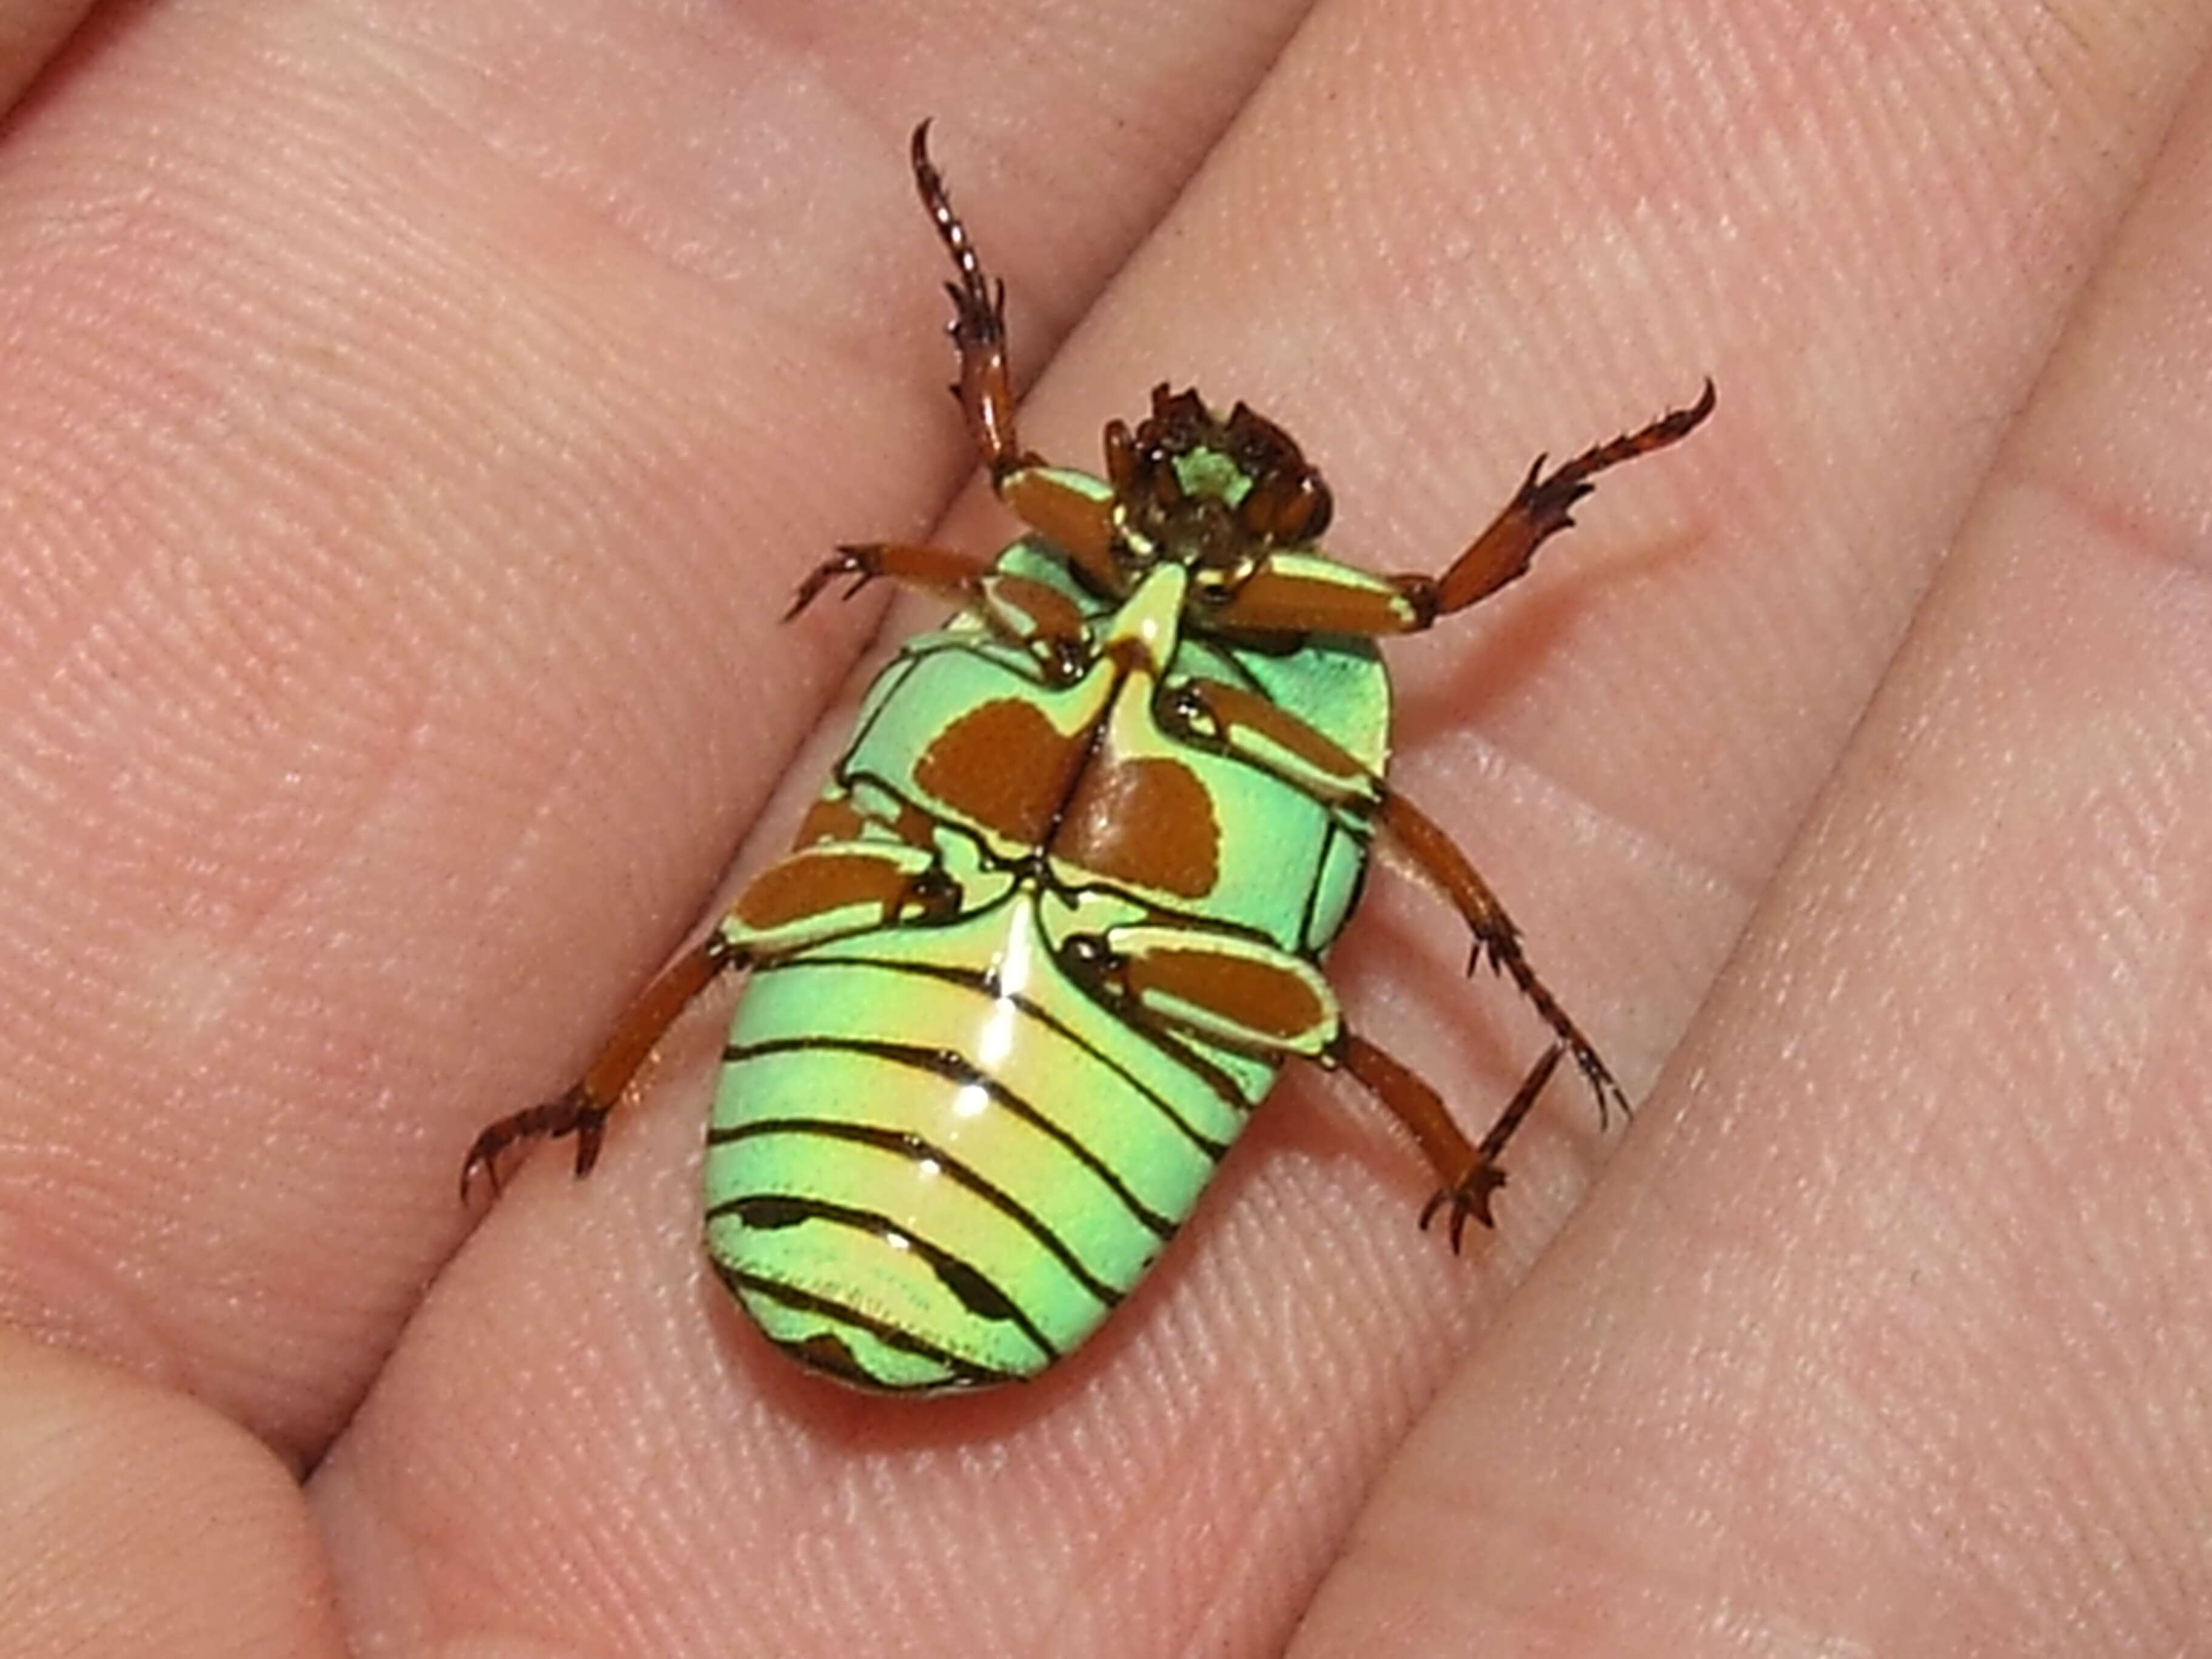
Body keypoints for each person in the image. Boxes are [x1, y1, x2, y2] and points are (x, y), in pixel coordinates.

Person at [4, 4, 2209, 1654]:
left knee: (1133, 989)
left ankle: (638, 1101)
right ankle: (604, 1100)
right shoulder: (1080, 572)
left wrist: (1556, 512)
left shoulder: (1156, 602)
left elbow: (1419, 624)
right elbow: (1290, 579)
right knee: (1231, 1013)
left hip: (1005, 1028)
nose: (1203, 492)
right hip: (1054, 1062)